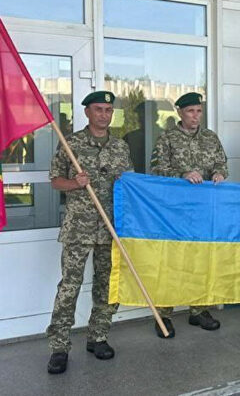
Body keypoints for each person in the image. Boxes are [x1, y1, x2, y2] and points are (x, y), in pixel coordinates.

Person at [46, 90, 133, 374]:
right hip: (79, 228)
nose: (104, 115)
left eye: (108, 110)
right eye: (98, 110)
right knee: (69, 288)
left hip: (110, 227)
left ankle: (98, 336)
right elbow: (55, 181)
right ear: (87, 112)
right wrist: (74, 183)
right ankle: (59, 347)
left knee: (107, 286)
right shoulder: (71, 143)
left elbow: (129, 185)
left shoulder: (121, 147)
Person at [149, 91, 228, 338]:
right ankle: (164, 315)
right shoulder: (168, 139)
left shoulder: (210, 138)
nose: (196, 116)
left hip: (203, 210)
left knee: (201, 260)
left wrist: (219, 173)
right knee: (172, 262)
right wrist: (182, 175)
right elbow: (156, 170)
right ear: (180, 113)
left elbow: (221, 163)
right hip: (175, 211)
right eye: (191, 111)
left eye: (199, 111)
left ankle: (199, 310)